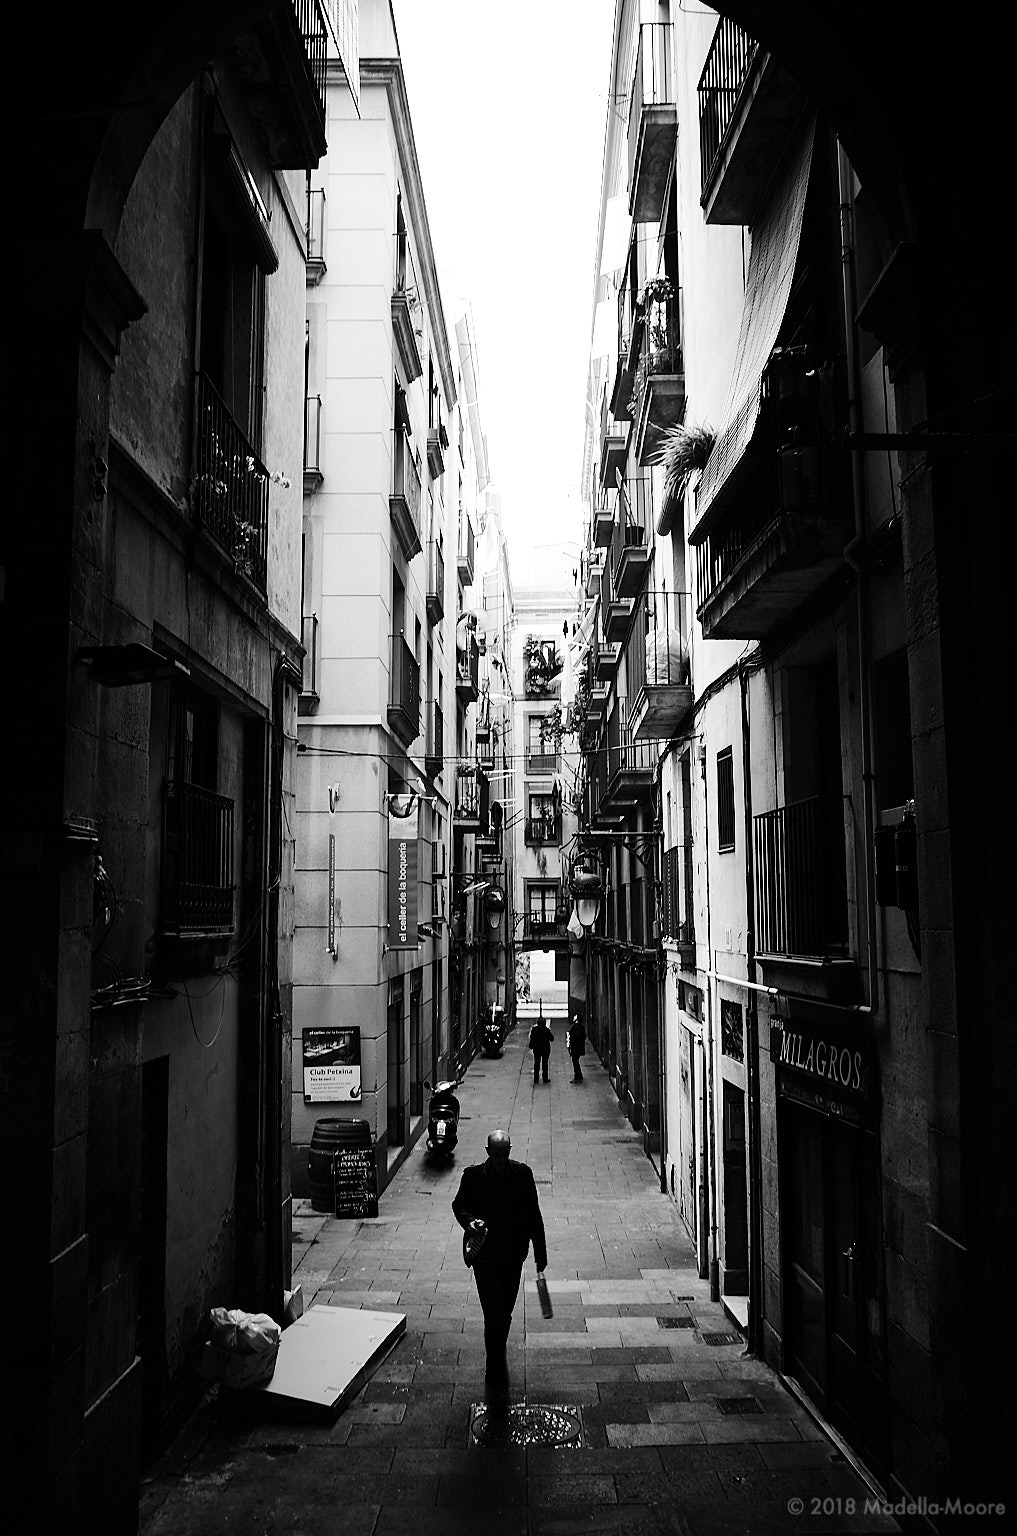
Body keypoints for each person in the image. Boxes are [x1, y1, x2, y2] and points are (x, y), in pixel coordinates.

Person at [452, 1129, 547, 1406]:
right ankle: (495, 1364)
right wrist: (470, 1222)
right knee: (492, 1311)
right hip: (485, 1258)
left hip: (513, 1256)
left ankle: (496, 1351)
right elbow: (459, 1205)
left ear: (509, 1151)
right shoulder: (473, 1176)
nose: (500, 1159)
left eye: (504, 1154)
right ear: (488, 1152)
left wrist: (540, 1253)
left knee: (503, 1312)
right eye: (496, 1154)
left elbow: (533, 1214)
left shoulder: (522, 1175)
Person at [527, 1014, 554, 1084]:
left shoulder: (534, 1029)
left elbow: (531, 1037)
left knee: (536, 1063)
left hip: (536, 1049)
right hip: (545, 1049)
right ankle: (545, 1078)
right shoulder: (546, 1030)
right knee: (545, 1063)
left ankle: (536, 1078)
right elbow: (552, 1038)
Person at [567, 1015, 586, 1082]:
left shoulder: (575, 1027)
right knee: (576, 1061)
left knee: (575, 1062)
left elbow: (572, 1036)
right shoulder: (581, 1027)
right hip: (579, 1047)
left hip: (575, 1048)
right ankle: (579, 1075)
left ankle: (577, 1076)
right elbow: (584, 1036)